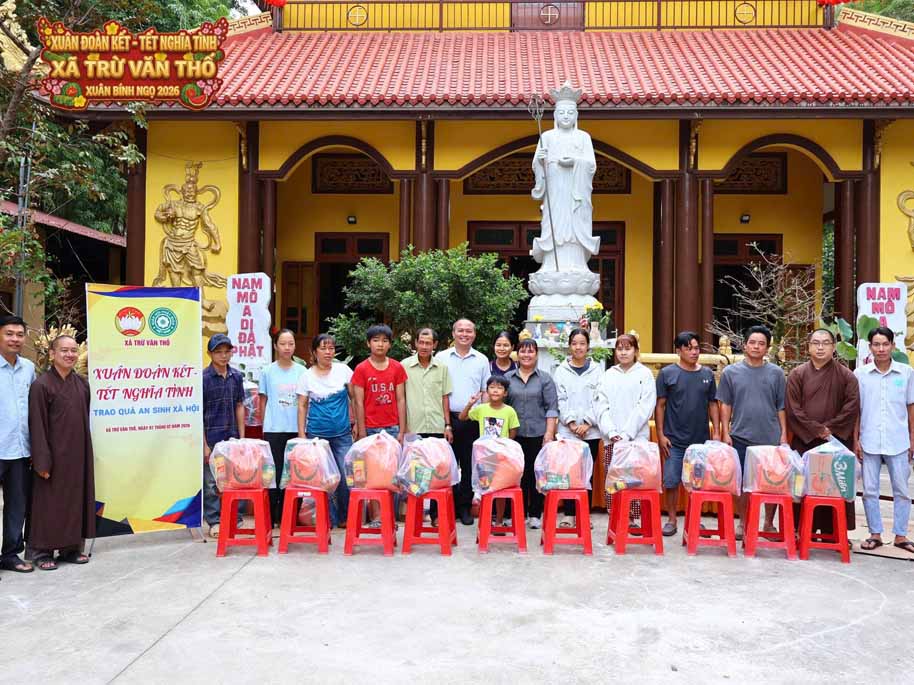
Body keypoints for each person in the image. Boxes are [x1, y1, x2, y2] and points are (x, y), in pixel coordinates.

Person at [27, 335, 94, 570]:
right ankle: (42, 552)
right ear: (52, 354)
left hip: (77, 454)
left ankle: (70, 548)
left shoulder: (82, 384)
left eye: (74, 350)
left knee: (74, 502)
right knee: (48, 504)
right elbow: (37, 425)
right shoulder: (41, 385)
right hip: (52, 457)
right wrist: (42, 461)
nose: (70, 355)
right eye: (64, 350)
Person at [786, 328, 859, 538]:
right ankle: (801, 530)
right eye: (816, 343)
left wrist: (830, 429)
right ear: (808, 347)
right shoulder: (797, 374)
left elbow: (852, 407)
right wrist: (817, 429)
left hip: (835, 443)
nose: (820, 347)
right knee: (802, 486)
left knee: (835, 485)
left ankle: (835, 533)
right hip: (805, 441)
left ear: (833, 347)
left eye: (825, 343)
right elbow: (793, 409)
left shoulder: (846, 376)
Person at [717, 325, 787, 540]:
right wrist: (725, 432)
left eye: (761, 343)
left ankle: (768, 523)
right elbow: (725, 404)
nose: (756, 347)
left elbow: (781, 406)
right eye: (752, 342)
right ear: (745, 345)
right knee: (741, 483)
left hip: (770, 437)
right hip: (740, 435)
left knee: (772, 484)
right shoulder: (731, 373)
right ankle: (743, 522)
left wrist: (784, 434)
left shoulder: (776, 373)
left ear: (767, 347)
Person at [854, 327, 914, 554]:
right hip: (869, 439)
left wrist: (912, 438)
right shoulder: (860, 375)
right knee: (870, 490)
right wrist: (856, 439)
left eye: (885, 344)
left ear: (893, 346)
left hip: (899, 441)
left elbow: (911, 408)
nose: (881, 349)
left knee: (902, 490)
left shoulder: (906, 373)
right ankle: (875, 534)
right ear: (870, 347)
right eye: (876, 344)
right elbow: (857, 411)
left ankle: (901, 535)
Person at [655, 332, 720, 537]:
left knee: (697, 482)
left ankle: (695, 519)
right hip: (673, 439)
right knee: (671, 481)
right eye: (688, 348)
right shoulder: (667, 374)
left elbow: (713, 404)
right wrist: (660, 434)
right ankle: (672, 520)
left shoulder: (707, 374)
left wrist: (716, 432)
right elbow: (660, 405)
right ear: (678, 351)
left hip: (700, 441)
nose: (694, 352)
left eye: (696, 348)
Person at [596, 333, 656, 529]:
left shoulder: (644, 374)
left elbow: (645, 406)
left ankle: (631, 519)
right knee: (614, 479)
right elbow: (600, 405)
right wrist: (611, 431)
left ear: (636, 351)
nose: (623, 352)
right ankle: (615, 517)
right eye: (619, 349)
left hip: (636, 439)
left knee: (634, 479)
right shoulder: (608, 375)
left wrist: (627, 434)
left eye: (628, 348)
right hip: (612, 438)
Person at [296, 334, 354, 527]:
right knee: (323, 479)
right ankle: (328, 518)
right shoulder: (306, 376)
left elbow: (355, 397)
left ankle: (345, 518)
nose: (328, 352)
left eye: (331, 348)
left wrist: (356, 424)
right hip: (316, 437)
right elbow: (302, 405)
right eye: (323, 348)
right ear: (314, 352)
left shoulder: (343, 370)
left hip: (342, 434)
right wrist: (302, 435)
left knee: (345, 477)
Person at [436, 318, 490, 525]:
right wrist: (445, 423)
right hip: (448, 418)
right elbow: (438, 391)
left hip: (472, 420)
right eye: (460, 330)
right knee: (446, 465)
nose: (464, 334)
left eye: (469, 331)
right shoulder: (441, 357)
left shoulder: (481, 360)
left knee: (468, 465)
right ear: (453, 333)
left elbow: (485, 390)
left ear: (474, 334)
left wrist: (486, 420)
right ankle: (445, 508)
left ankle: (465, 507)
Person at [553, 328, 604, 526]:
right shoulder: (561, 370)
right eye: (574, 343)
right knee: (569, 472)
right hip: (568, 431)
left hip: (591, 432)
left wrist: (588, 422)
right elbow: (560, 399)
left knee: (586, 473)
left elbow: (600, 399)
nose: (578, 347)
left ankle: (584, 514)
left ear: (588, 346)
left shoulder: (597, 370)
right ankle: (569, 514)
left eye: (582, 343)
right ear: (569, 346)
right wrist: (572, 423)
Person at [505, 339, 558, 529]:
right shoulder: (508, 378)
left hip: (538, 434)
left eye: (530, 352)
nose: (526, 355)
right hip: (514, 436)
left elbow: (552, 408)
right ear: (517, 354)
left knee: (537, 475)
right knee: (516, 475)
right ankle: (516, 513)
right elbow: (502, 406)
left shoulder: (545, 379)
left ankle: (535, 514)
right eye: (523, 351)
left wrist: (549, 434)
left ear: (536, 354)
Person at [459, 376, 520, 529]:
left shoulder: (509, 411)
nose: (495, 390)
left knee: (500, 489)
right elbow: (462, 417)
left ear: (505, 393)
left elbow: (513, 430)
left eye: (499, 388)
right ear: (487, 391)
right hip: (485, 456)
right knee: (486, 487)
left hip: (502, 457)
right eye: (492, 387)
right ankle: (485, 519)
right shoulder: (481, 409)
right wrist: (470, 403)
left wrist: (505, 446)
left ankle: (498, 521)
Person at [259, 329, 306, 525]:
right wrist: (264, 427)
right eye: (283, 344)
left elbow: (305, 402)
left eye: (291, 344)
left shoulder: (302, 372)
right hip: (274, 429)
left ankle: (289, 517)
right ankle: (272, 516)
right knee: (274, 474)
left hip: (296, 429)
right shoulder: (267, 371)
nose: (287, 347)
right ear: (275, 346)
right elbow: (263, 401)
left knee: (294, 475)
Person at [0, 314, 35, 576]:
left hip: (21, 450)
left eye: (19, 334)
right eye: (9, 334)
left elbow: (35, 408)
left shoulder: (29, 368)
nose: (15, 339)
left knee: (16, 506)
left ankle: (10, 555)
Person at [202, 333, 245, 538]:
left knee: (234, 480)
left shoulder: (236, 376)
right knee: (211, 483)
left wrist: (242, 438)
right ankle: (214, 521)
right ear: (210, 354)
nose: (223, 355)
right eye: (218, 352)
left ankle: (235, 518)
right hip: (211, 437)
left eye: (227, 351)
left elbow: (239, 405)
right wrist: (204, 445)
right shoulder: (203, 379)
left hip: (232, 437)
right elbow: (198, 413)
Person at [351, 324, 407, 442]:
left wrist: (402, 431)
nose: (380, 344)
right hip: (369, 427)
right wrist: (362, 432)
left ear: (390, 344)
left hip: (393, 427)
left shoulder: (397, 367)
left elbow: (401, 399)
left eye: (385, 341)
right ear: (368, 343)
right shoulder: (361, 369)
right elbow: (358, 402)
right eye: (376, 340)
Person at [403, 328, 453, 441]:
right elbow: (401, 398)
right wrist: (403, 427)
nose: (424, 347)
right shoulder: (404, 366)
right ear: (416, 343)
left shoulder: (442, 368)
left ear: (434, 344)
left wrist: (447, 425)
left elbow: (445, 397)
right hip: (413, 428)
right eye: (421, 342)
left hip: (437, 427)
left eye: (428, 343)